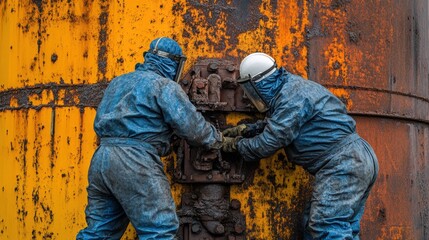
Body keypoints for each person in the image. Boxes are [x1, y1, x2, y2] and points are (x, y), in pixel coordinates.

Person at [77, 37, 223, 239]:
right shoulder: (164, 86)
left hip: (102, 159)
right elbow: (192, 127)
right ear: (174, 63)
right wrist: (216, 139)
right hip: (135, 161)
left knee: (100, 232)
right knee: (159, 231)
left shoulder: (117, 82)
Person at [222, 52, 379, 240]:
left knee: (325, 225)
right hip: (357, 158)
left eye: (249, 89)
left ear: (258, 84)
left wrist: (234, 145)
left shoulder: (291, 97)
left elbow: (268, 142)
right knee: (329, 224)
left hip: (344, 163)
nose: (248, 97)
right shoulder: (291, 89)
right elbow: (283, 124)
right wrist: (246, 130)